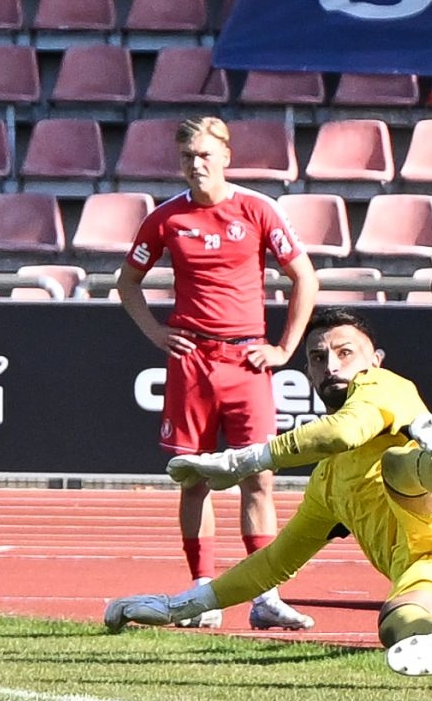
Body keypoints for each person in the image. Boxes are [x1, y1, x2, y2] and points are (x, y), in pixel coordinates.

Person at [104, 307, 432, 678]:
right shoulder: (327, 483)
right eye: (318, 358)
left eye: (345, 353)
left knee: (396, 466)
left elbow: (342, 432)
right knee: (399, 629)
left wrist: (241, 462)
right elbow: (273, 563)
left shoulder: (384, 386)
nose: (331, 366)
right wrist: (179, 606)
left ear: (375, 360)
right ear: (309, 372)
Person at [118, 115, 319, 633]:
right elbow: (127, 282)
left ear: (227, 156)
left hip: (247, 360)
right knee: (194, 479)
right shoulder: (165, 218)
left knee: (260, 478)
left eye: (206, 154)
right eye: (188, 156)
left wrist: (284, 348)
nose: (197, 164)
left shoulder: (257, 208)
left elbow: (304, 276)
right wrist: (156, 333)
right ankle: (202, 592)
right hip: (193, 364)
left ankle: (265, 596)